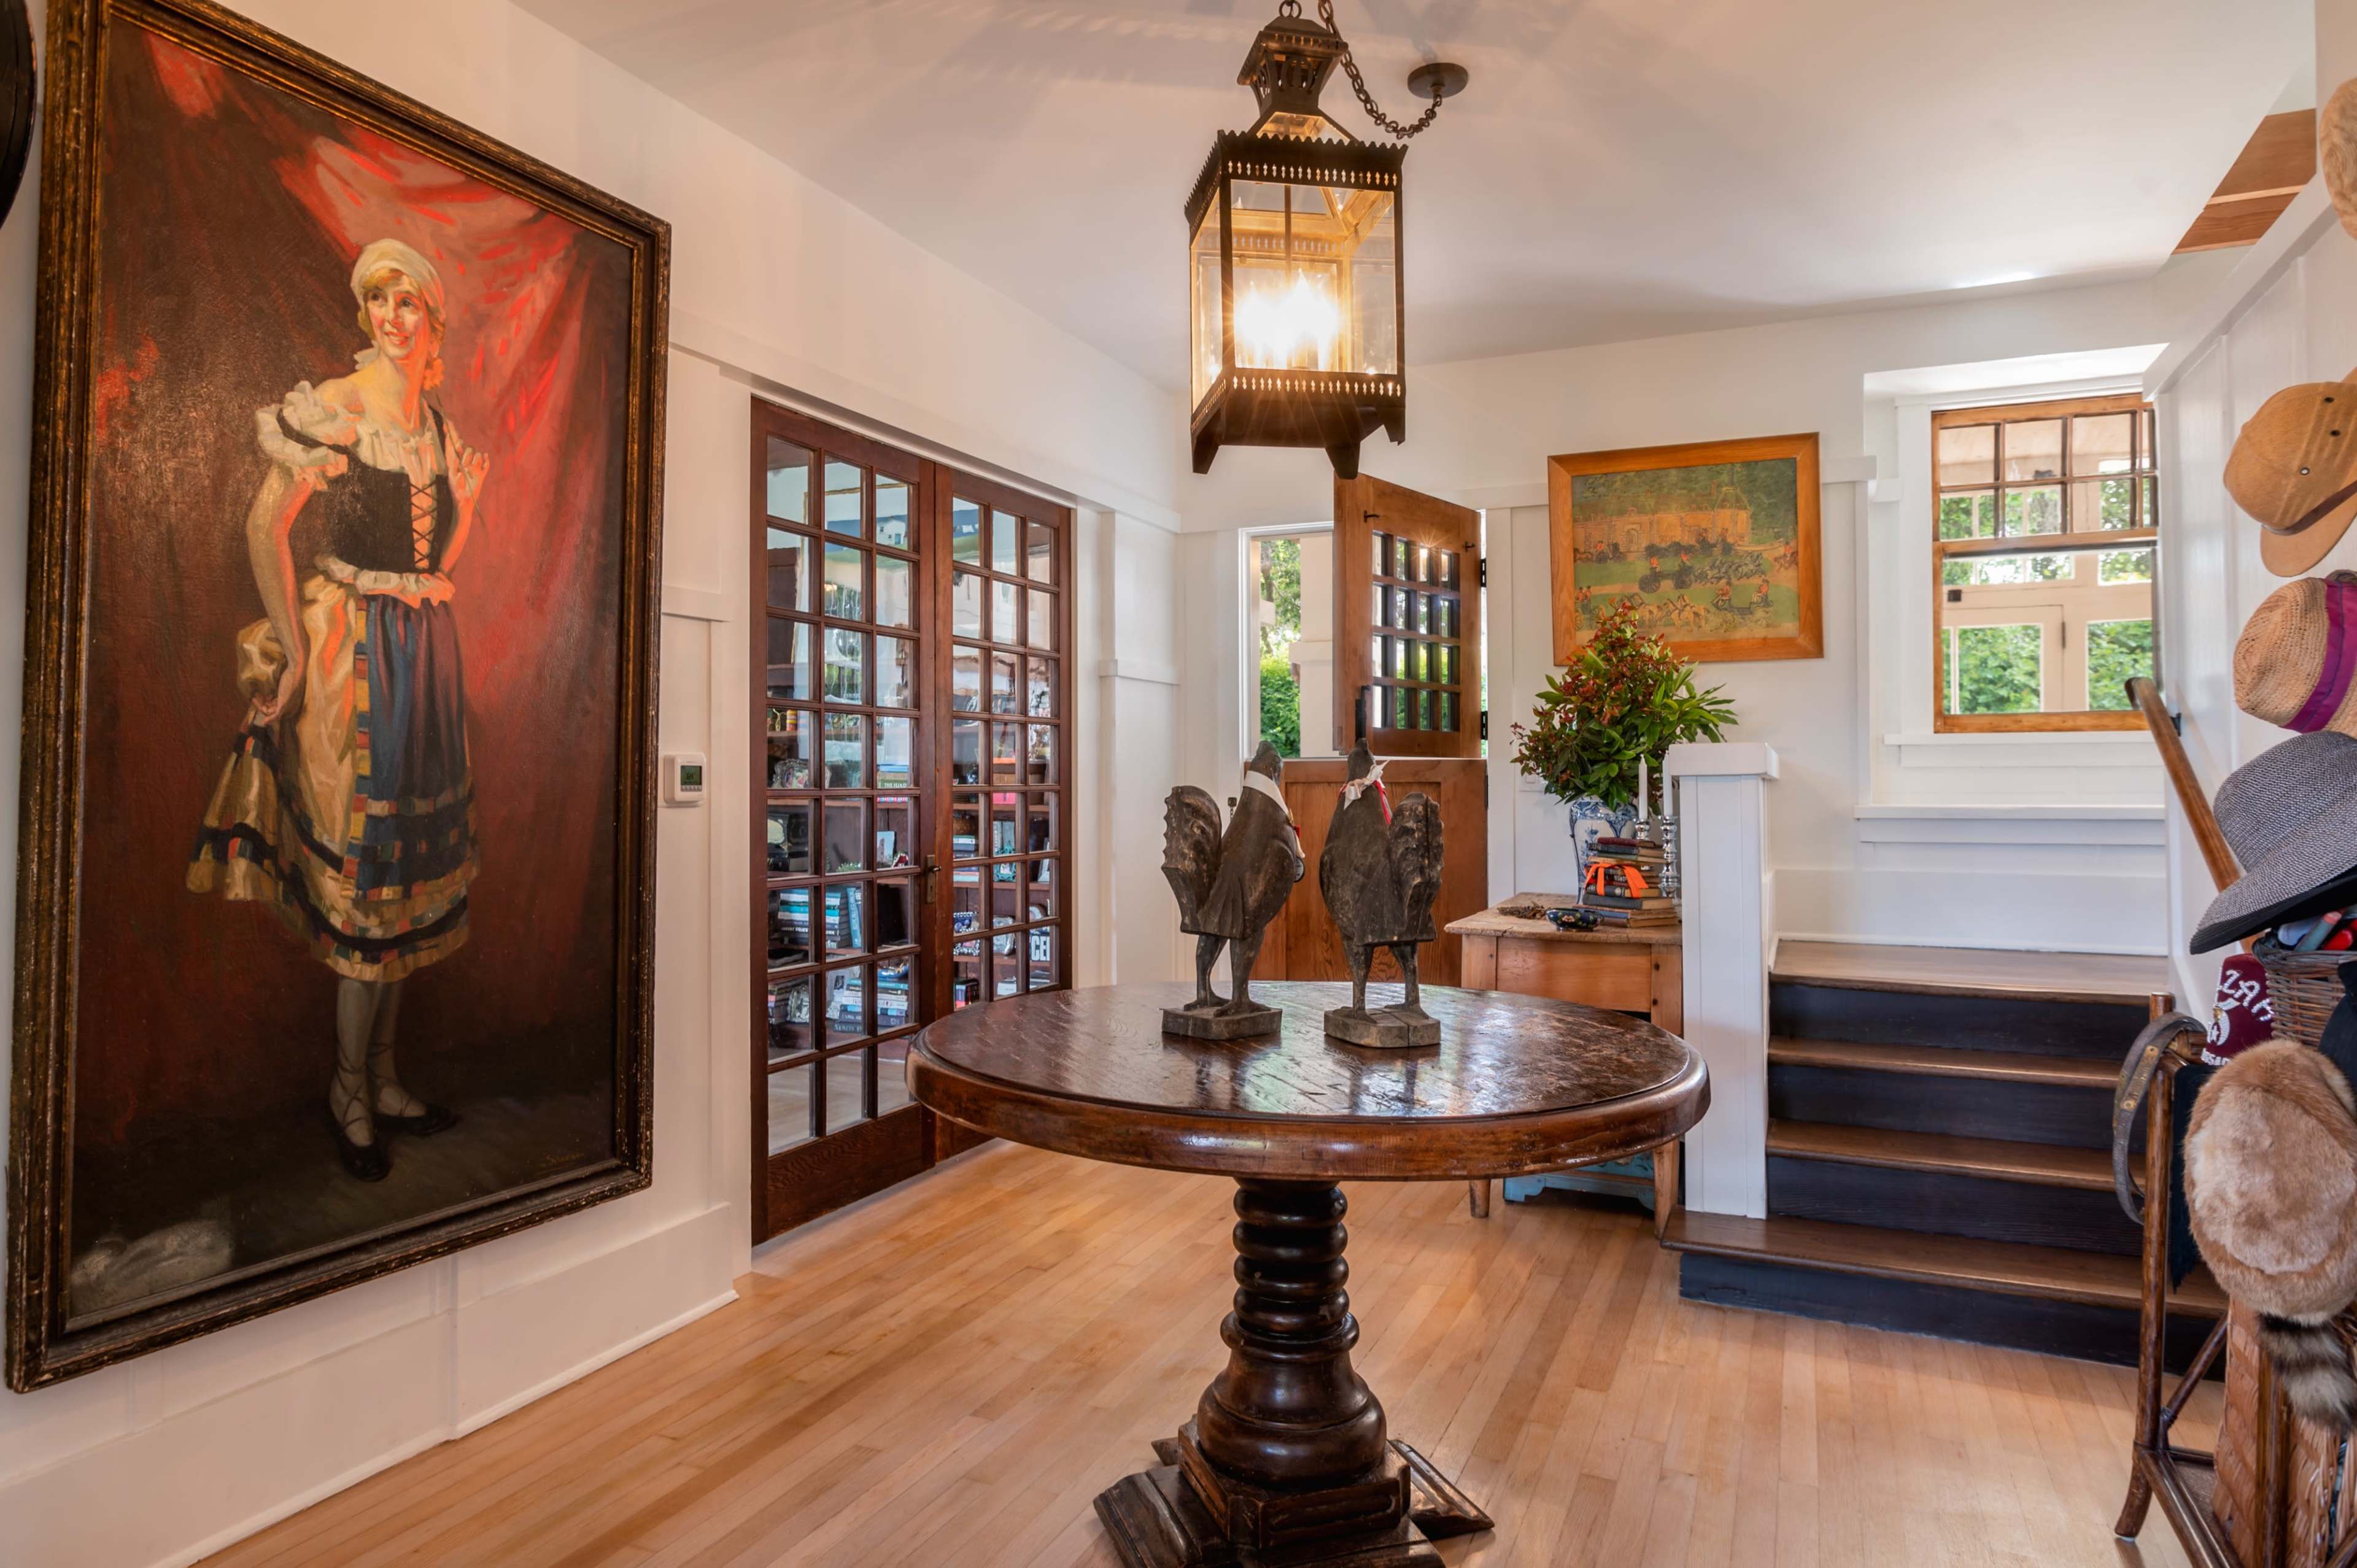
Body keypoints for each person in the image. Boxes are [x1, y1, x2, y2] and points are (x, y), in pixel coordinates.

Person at [187, 239, 489, 1181]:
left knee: (405, 882)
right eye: (380, 302)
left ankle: (386, 1078)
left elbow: (434, 567)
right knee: (366, 882)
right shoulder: (340, 407)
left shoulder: (435, 423)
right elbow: (261, 527)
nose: (395, 317)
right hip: (355, 658)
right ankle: (348, 1088)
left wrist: (467, 506)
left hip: (425, 656)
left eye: (410, 303)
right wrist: (288, 643)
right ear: (367, 316)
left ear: (432, 318)